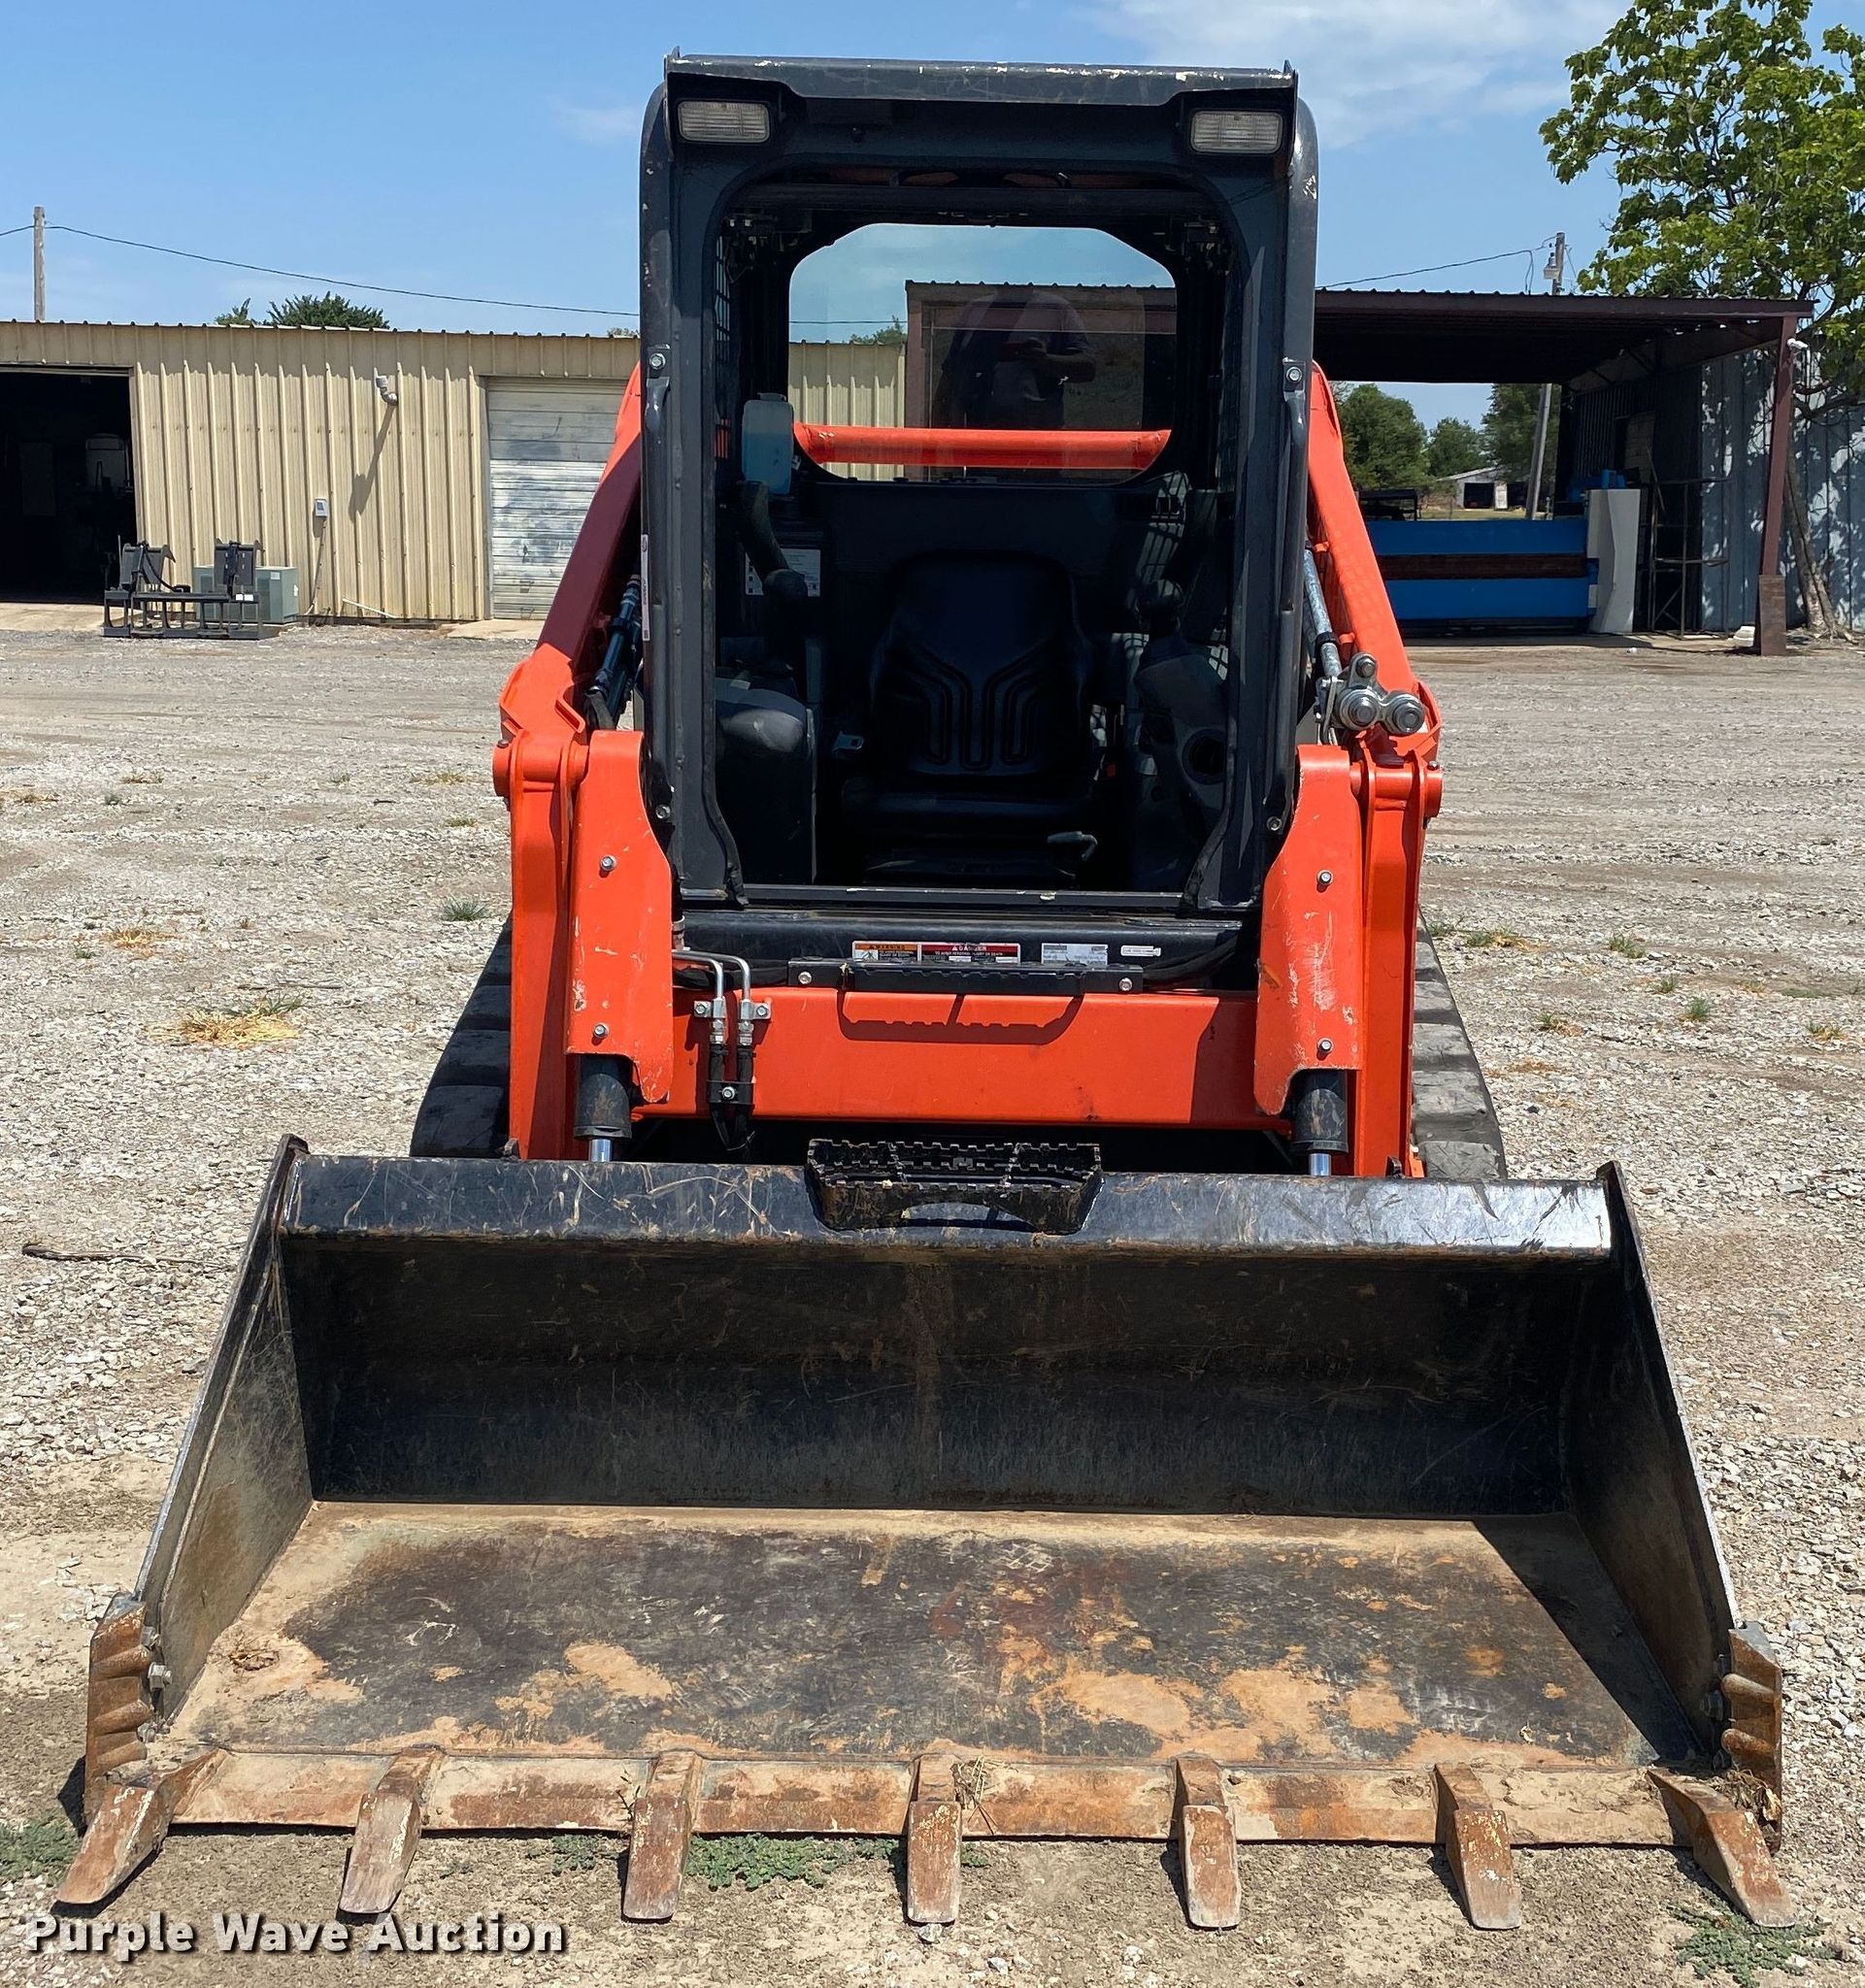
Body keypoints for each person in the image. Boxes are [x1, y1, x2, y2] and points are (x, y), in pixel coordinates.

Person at [932, 289, 1095, 429]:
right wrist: (936, 444)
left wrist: (1046, 361)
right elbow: (949, 380)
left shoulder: (1055, 309)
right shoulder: (976, 311)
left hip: (1039, 443)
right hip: (981, 444)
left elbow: (1087, 367)